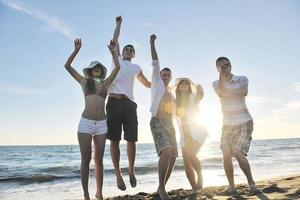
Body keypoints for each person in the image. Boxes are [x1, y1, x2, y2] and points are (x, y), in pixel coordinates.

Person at [65, 38, 120, 200]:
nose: (96, 69)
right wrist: (76, 50)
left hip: (102, 125)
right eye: (94, 67)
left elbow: (117, 67)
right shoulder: (84, 82)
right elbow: (67, 66)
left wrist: (112, 53)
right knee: (86, 160)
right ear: (90, 71)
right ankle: (86, 194)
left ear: (101, 71)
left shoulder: (106, 83)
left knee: (99, 160)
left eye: (99, 67)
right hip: (86, 124)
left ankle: (99, 193)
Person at [106, 16, 151, 191]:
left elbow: (147, 84)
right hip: (114, 102)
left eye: (131, 50)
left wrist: (160, 82)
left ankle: (131, 171)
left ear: (133, 54)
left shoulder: (136, 67)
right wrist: (118, 24)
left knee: (131, 140)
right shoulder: (115, 59)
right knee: (114, 140)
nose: (128, 51)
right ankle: (118, 173)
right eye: (126, 49)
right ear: (121, 52)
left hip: (130, 104)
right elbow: (115, 40)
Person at [212, 57, 260, 195]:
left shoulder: (242, 79)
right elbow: (221, 92)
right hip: (227, 125)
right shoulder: (215, 83)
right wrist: (225, 83)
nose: (224, 67)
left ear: (231, 66)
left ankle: (252, 185)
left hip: (244, 122)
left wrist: (228, 91)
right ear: (217, 69)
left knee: (237, 152)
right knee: (226, 154)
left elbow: (243, 92)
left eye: (226, 65)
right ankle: (232, 187)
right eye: (220, 66)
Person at [149, 34, 177, 200]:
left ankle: (161, 187)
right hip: (157, 121)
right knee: (166, 151)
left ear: (170, 77)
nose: (165, 77)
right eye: (163, 74)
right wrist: (152, 43)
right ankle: (162, 190)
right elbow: (155, 62)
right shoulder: (157, 84)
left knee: (173, 157)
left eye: (168, 75)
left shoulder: (172, 93)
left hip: (170, 125)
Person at [174, 78, 208, 192]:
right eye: (182, 83)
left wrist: (200, 95)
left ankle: (200, 175)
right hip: (184, 134)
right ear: (178, 87)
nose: (184, 85)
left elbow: (198, 99)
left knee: (191, 155)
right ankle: (194, 188)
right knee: (186, 161)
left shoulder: (192, 96)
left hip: (196, 131)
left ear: (189, 87)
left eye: (186, 83)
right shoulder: (175, 101)